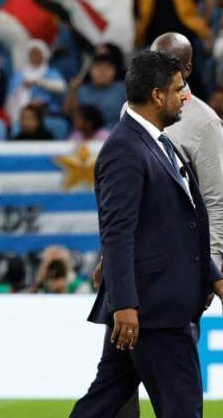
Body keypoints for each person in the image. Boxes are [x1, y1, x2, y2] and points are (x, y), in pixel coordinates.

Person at [70, 50, 223, 418]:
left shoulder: (161, 143)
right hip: (153, 310)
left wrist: (214, 278)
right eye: (179, 89)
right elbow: (117, 232)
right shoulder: (125, 149)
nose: (185, 97)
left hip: (151, 305)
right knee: (183, 409)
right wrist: (124, 306)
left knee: (102, 404)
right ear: (157, 95)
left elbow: (189, 223)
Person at [153, 33, 223, 270]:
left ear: (188, 69)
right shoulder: (131, 108)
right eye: (153, 61)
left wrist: (212, 266)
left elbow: (216, 201)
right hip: (142, 248)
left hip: (183, 251)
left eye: (168, 64)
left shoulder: (205, 123)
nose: (158, 71)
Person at [6, 39, 67, 124]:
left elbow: (61, 88)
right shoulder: (18, 75)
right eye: (32, 53)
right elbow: (10, 97)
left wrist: (39, 82)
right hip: (20, 114)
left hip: (46, 112)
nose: (35, 56)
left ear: (44, 54)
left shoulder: (51, 73)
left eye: (38, 53)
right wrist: (22, 87)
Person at [65, 54, 127, 132]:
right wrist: (72, 92)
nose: (102, 72)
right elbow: (69, 113)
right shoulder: (81, 90)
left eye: (107, 68)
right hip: (85, 135)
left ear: (115, 71)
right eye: (98, 68)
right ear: (90, 70)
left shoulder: (123, 89)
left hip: (116, 133)